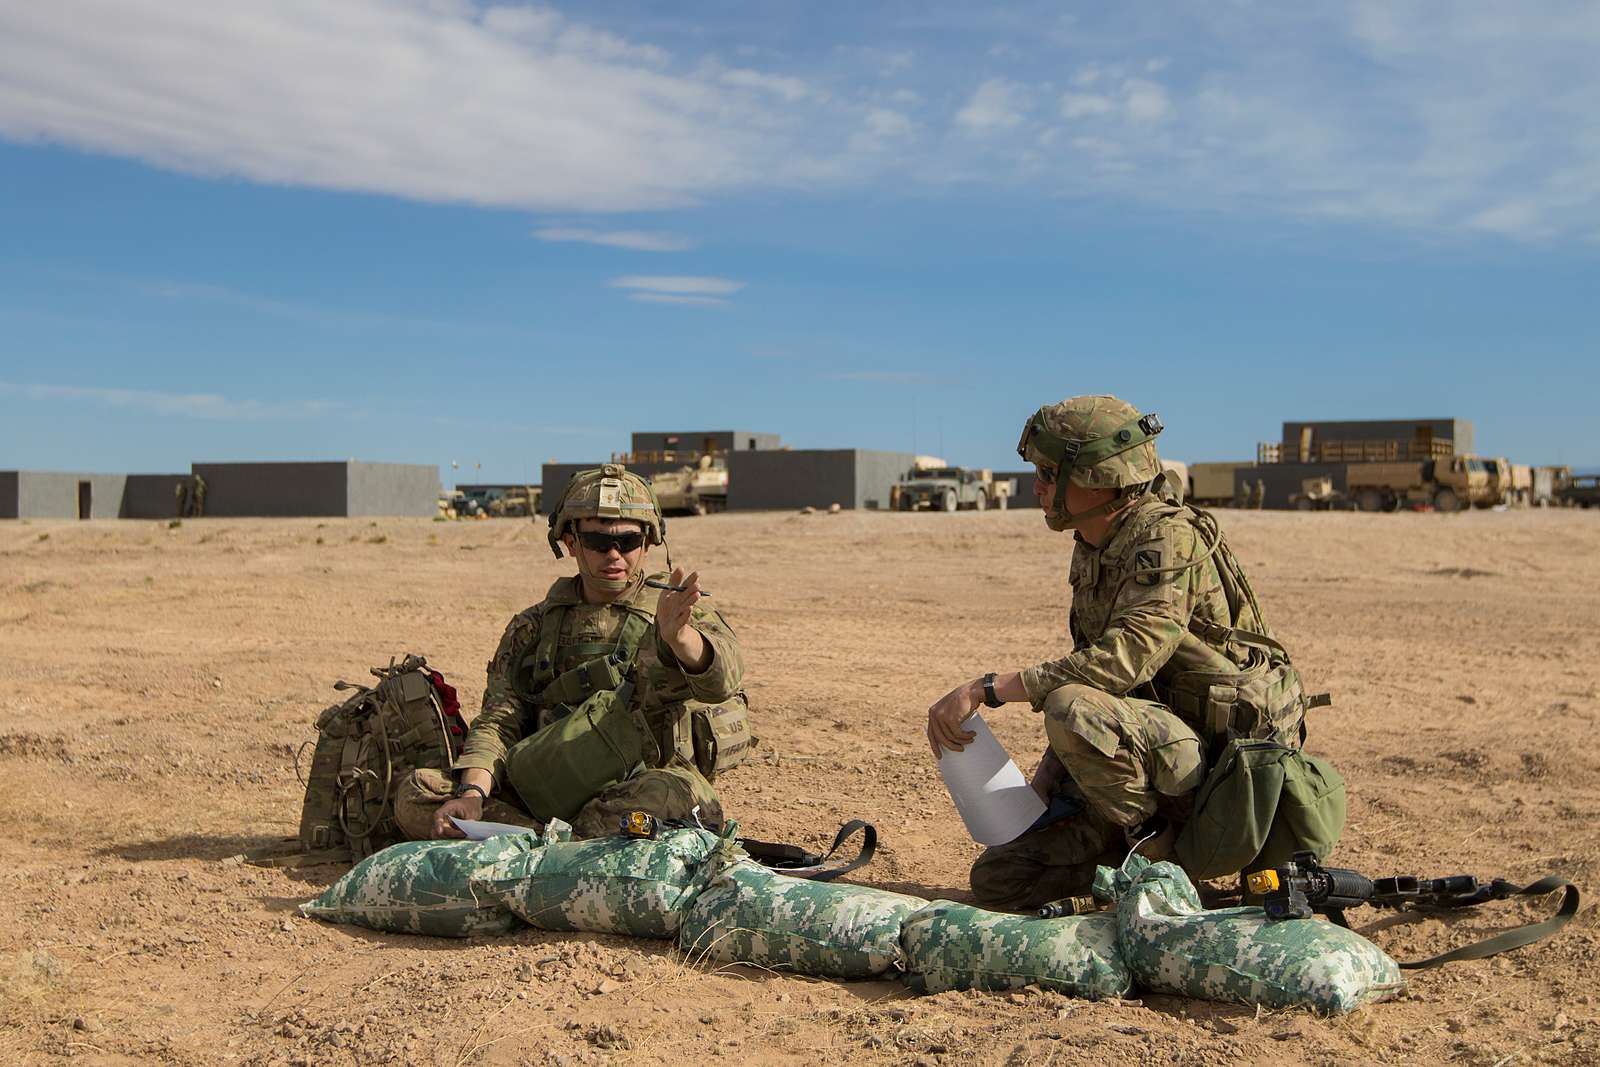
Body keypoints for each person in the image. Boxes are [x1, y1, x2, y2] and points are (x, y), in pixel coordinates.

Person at [925, 396, 1312, 913]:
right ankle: (1125, 860)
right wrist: (1042, 790)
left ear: (1097, 477)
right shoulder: (1098, 540)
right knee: (1002, 879)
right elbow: (1099, 677)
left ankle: (1162, 864)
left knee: (1067, 704)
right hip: (1152, 756)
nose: (1037, 486)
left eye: (1048, 472)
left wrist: (987, 689)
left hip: (1218, 771)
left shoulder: (1164, 536)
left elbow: (1125, 660)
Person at [394, 464, 749, 841]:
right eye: (598, 542)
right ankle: (554, 842)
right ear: (570, 542)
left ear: (647, 543)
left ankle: (530, 842)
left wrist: (680, 638)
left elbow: (723, 681)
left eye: (628, 541)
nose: (614, 554)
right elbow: (500, 719)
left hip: (639, 786)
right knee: (419, 792)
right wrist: (472, 795)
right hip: (546, 783)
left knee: (664, 800)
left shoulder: (675, 612)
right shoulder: (534, 626)